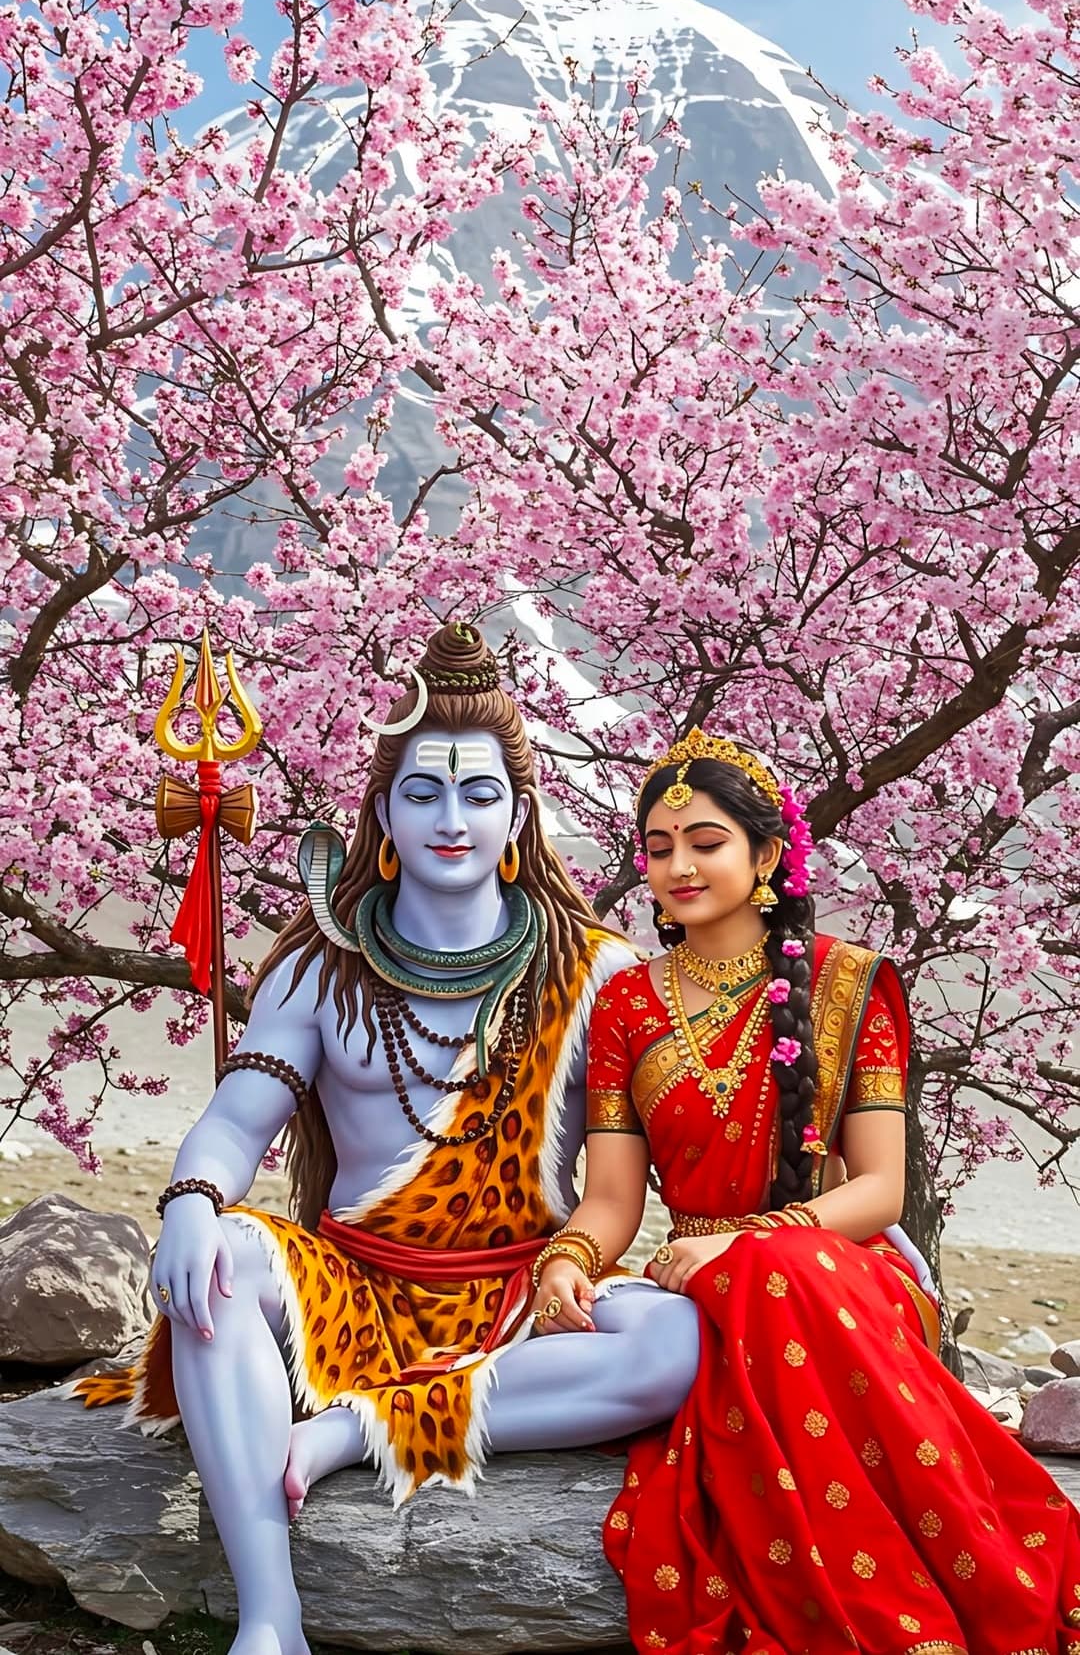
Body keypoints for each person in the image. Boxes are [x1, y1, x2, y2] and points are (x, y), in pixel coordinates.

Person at [69, 625, 700, 1655]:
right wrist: (189, 1201)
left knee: (676, 1342)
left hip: (525, 1293)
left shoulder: (597, 972)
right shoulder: (320, 966)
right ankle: (271, 1615)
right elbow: (238, 1117)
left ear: (519, 814)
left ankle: (355, 1432)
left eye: (479, 794)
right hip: (353, 1294)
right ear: (382, 813)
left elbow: (685, 1148)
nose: (451, 821)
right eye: (423, 793)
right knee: (223, 1258)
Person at [532, 727, 1080, 1655]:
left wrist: (751, 1242)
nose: (678, 866)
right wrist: (569, 1259)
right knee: (737, 1287)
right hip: (698, 1279)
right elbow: (615, 1199)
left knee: (778, 1271)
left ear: (767, 856)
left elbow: (881, 1190)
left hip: (840, 1274)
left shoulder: (850, 983)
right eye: (659, 848)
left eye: (705, 842)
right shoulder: (625, 1002)